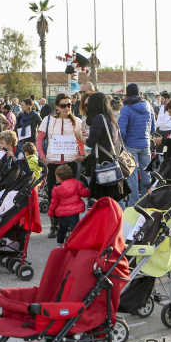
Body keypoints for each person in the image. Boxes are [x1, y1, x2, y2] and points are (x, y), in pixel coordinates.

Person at [36, 92, 85, 238]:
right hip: (53, 162)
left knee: (71, 196)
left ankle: (70, 225)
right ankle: (54, 225)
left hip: (70, 162)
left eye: (69, 105)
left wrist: (81, 154)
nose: (67, 108)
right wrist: (43, 158)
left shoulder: (76, 121)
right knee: (53, 195)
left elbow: (80, 140)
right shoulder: (48, 120)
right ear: (57, 106)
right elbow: (39, 140)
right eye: (63, 105)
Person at [83, 92, 130, 204]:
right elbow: (105, 136)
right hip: (111, 160)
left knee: (102, 198)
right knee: (114, 198)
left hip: (102, 162)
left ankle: (118, 220)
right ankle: (121, 219)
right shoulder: (110, 117)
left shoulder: (99, 118)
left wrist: (79, 136)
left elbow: (90, 143)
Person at [118, 83, 156, 207]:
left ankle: (134, 204)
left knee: (132, 177)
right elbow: (153, 128)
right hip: (146, 145)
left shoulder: (126, 108)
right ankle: (146, 202)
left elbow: (122, 130)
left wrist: (121, 144)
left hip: (130, 145)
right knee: (146, 175)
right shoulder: (148, 106)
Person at [48, 164, 91, 245]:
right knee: (75, 229)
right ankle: (76, 243)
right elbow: (84, 193)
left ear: (60, 179)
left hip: (62, 214)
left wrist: (51, 213)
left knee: (62, 230)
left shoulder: (56, 189)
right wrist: (89, 191)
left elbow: (54, 203)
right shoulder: (77, 183)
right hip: (74, 212)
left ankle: (59, 244)